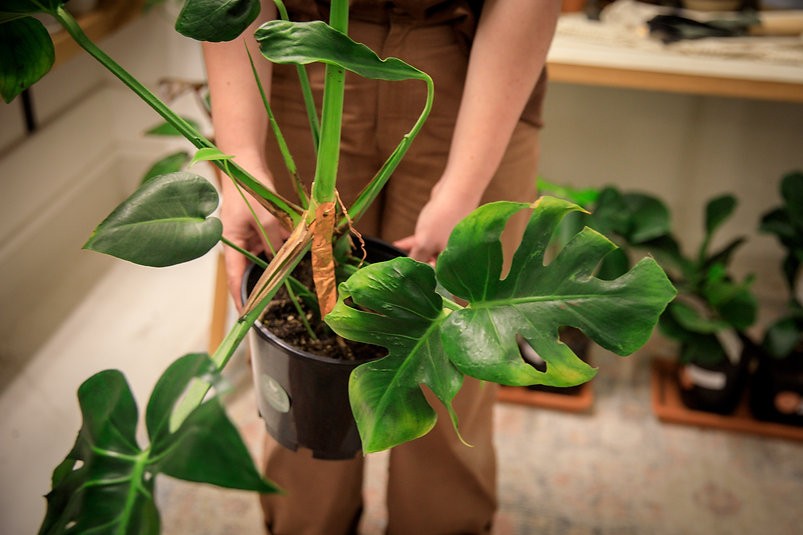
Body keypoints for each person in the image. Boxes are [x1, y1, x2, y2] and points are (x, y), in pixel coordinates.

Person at [203, 1, 560, 533]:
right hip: (300, 55)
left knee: (451, 363)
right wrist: (241, 162)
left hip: (471, 63)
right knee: (305, 376)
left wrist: (464, 185)